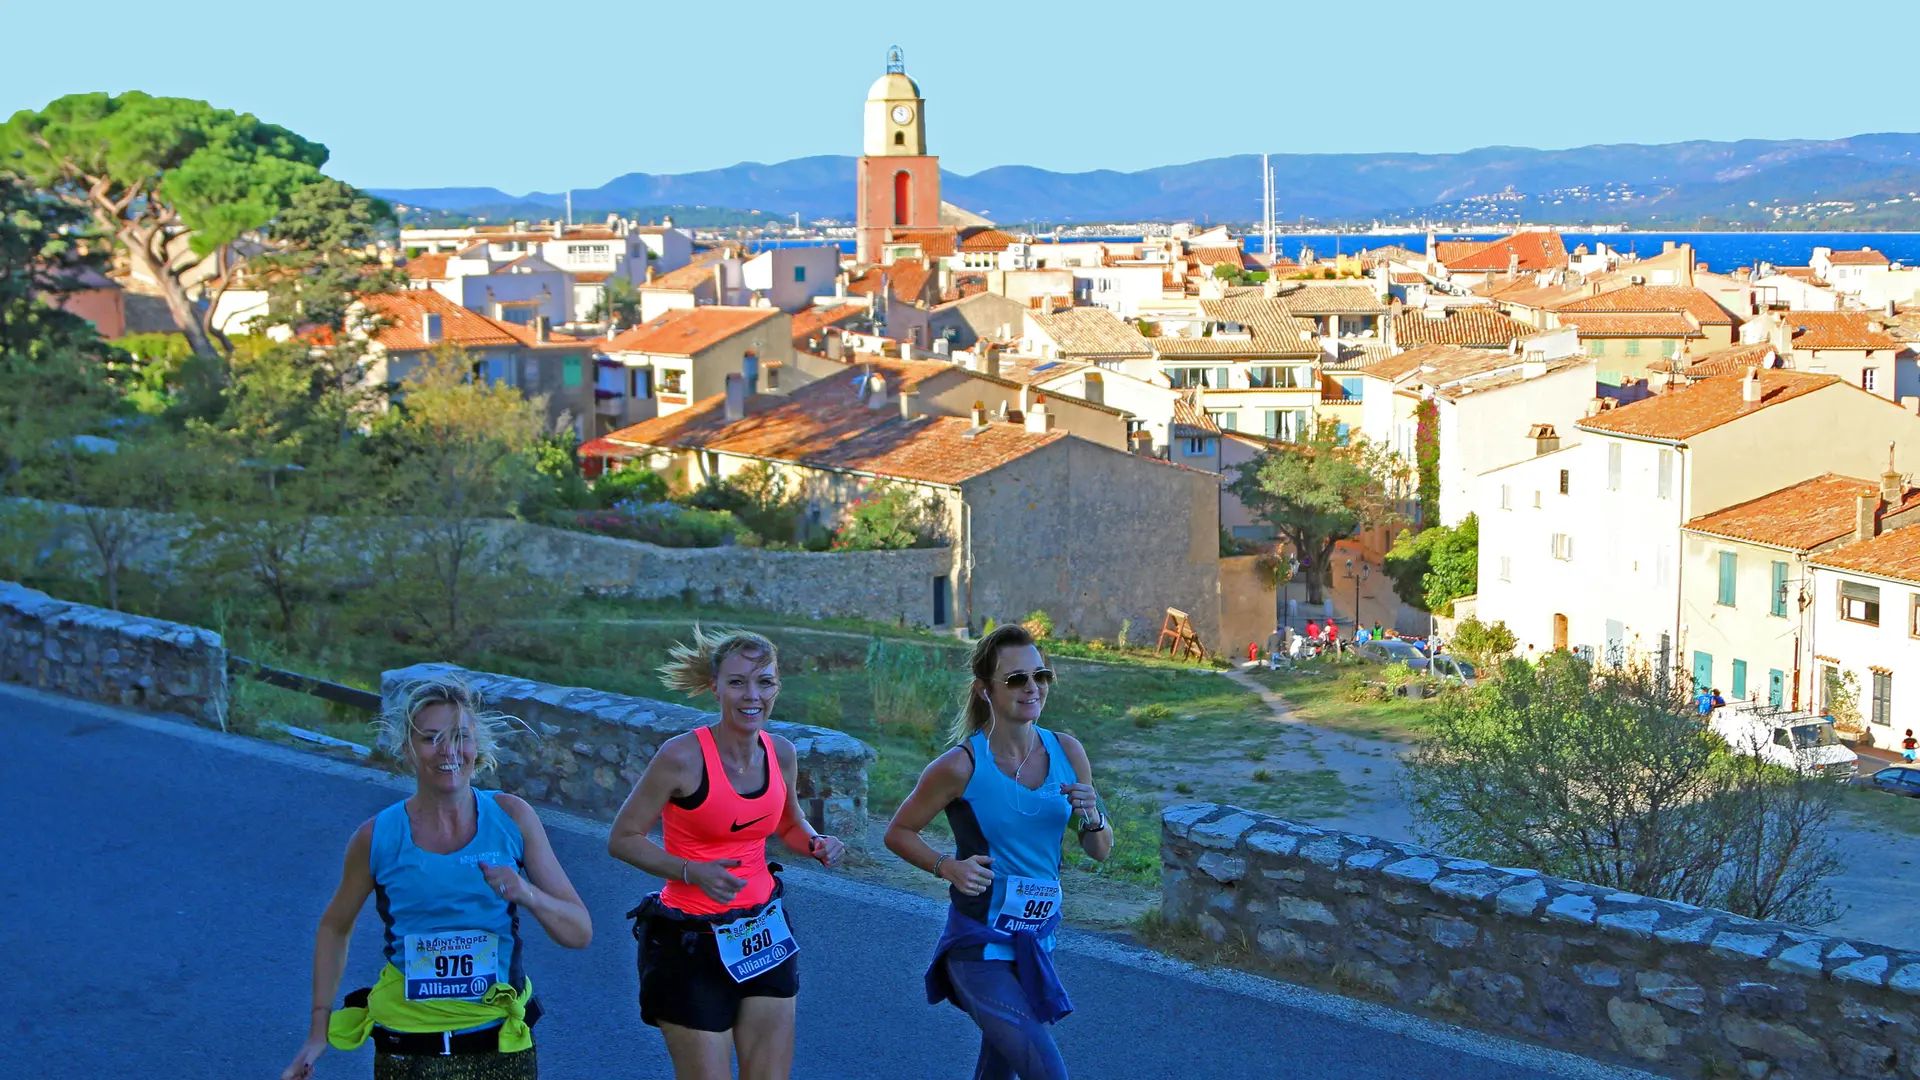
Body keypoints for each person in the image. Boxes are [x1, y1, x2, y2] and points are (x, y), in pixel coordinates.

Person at [280, 676, 593, 1080]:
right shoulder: (376, 837)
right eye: (431, 738)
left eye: (459, 736)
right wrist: (317, 1030)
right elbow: (334, 927)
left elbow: (579, 931)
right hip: (407, 1053)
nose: (448, 752)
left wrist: (528, 893)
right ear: (408, 749)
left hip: (501, 1048)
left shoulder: (512, 818)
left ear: (476, 744)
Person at [609, 627, 846, 1080]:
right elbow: (623, 838)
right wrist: (691, 871)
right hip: (690, 940)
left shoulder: (781, 752)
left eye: (765, 682)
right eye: (737, 682)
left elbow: (787, 823)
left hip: (763, 932)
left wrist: (816, 843)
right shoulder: (680, 757)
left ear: (777, 686)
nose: (751, 695)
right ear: (715, 685)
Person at [885, 625, 1111, 1080]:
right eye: (1016, 679)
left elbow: (1100, 850)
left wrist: (1092, 816)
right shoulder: (960, 766)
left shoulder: (1068, 750)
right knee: (1046, 1072)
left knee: (998, 1072)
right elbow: (899, 832)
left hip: (1037, 939)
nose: (1032, 688)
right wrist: (945, 866)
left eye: (1040, 676)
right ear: (984, 690)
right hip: (979, 945)